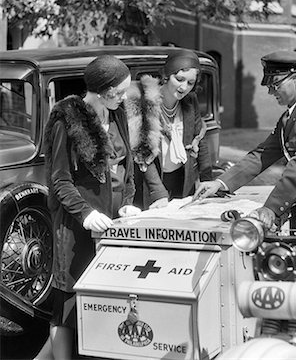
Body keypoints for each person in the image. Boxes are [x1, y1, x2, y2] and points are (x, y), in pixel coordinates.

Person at [35, 55, 139, 360]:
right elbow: (60, 180)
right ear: (101, 90)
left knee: (104, 297)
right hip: (76, 225)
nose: (122, 99)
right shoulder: (66, 120)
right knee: (67, 303)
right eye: (118, 93)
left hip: (113, 226)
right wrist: (86, 214)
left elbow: (127, 165)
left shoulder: (115, 112)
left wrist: (128, 204)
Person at [194, 50, 296, 241]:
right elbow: (262, 154)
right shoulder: (289, 117)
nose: (271, 91)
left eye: (276, 84)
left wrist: (271, 208)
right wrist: (220, 183)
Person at [125, 49, 213, 209]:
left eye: (190, 83)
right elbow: (142, 151)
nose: (184, 87)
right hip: (151, 183)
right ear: (167, 75)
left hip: (183, 181)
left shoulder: (190, 101)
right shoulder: (144, 100)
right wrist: (158, 193)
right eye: (179, 79)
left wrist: (207, 180)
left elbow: (200, 140)